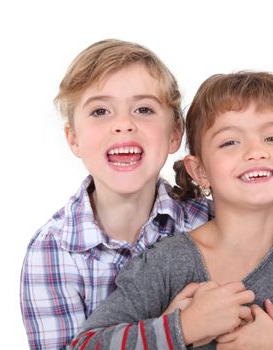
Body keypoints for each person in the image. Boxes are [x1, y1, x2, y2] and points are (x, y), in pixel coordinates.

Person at [21, 39, 273, 349]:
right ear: (198, 168)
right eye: (229, 142)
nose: (256, 152)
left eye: (272, 138)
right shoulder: (166, 259)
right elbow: (83, 346)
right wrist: (180, 329)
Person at [20, 39, 212, 350]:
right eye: (100, 111)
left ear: (175, 133)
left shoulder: (209, 222)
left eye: (144, 109)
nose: (123, 124)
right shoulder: (53, 251)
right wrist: (173, 330)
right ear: (74, 139)